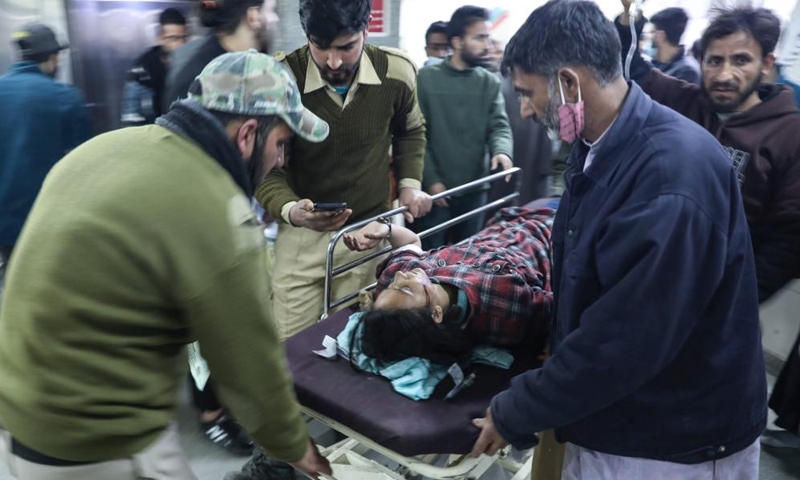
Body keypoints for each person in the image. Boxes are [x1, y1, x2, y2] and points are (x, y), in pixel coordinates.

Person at [0, 50, 332, 480]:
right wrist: (294, 445)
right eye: (281, 143)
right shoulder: (219, 210)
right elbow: (249, 366)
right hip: (93, 439)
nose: (281, 161)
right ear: (248, 135)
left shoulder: (107, 146)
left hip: (23, 408)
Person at [469, 3, 766, 480]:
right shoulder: (600, 148)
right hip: (619, 414)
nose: (523, 109)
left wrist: (516, 410)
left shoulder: (669, 178)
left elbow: (625, 340)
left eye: (527, 93)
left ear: (569, 83)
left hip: (671, 441)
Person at [256, 0, 430, 340]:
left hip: (370, 232)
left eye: (346, 47)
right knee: (291, 344)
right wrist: (292, 210)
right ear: (307, 36)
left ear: (366, 30)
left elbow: (410, 130)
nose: (333, 62)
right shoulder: (281, 80)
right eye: (319, 47)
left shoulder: (396, 72)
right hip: (301, 236)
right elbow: (263, 166)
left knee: (353, 337)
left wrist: (410, 183)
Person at [616, 2, 800, 305]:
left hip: (718, 299)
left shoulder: (789, 135)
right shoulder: (684, 101)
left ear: (766, 63)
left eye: (741, 60)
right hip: (647, 275)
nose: (725, 75)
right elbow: (628, 66)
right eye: (714, 61)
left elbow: (790, 236)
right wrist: (629, 15)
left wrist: (736, 299)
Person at [162, 0, 281, 455]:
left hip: (232, 206)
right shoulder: (198, 64)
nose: (271, 17)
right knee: (203, 325)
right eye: (269, 8)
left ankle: (225, 401)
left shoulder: (250, 65)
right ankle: (210, 412)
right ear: (252, 13)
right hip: (198, 221)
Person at [343, 204, 555, 365]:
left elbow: (410, 244)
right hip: (548, 231)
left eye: (391, 285)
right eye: (406, 288)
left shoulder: (393, 288)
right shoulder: (503, 305)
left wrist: (385, 229)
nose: (401, 276)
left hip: (504, 218)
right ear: (436, 314)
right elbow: (556, 307)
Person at [413, 5, 513, 250]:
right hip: (433, 194)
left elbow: (499, 125)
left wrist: (502, 151)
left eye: (488, 37)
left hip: (474, 189)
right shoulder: (426, 78)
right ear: (457, 42)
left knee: (467, 260)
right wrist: (432, 181)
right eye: (480, 38)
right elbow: (415, 135)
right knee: (428, 259)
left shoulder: (489, 82)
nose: (487, 45)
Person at [0, 22, 91, 286]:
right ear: (53, 58)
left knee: (14, 281)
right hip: (46, 219)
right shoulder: (65, 97)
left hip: (4, 221)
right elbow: (83, 164)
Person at [164, 0, 278, 111]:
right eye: (270, 11)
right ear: (253, 17)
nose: (275, 19)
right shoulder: (195, 82)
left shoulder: (257, 64)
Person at [121, 8, 188, 126]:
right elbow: (131, 117)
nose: (180, 44)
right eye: (174, 38)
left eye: (184, 38)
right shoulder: (143, 69)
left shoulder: (190, 64)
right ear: (161, 38)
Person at [644, 7, 700, 84]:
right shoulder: (653, 64)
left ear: (660, 36)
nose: (649, 37)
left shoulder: (686, 72)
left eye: (652, 32)